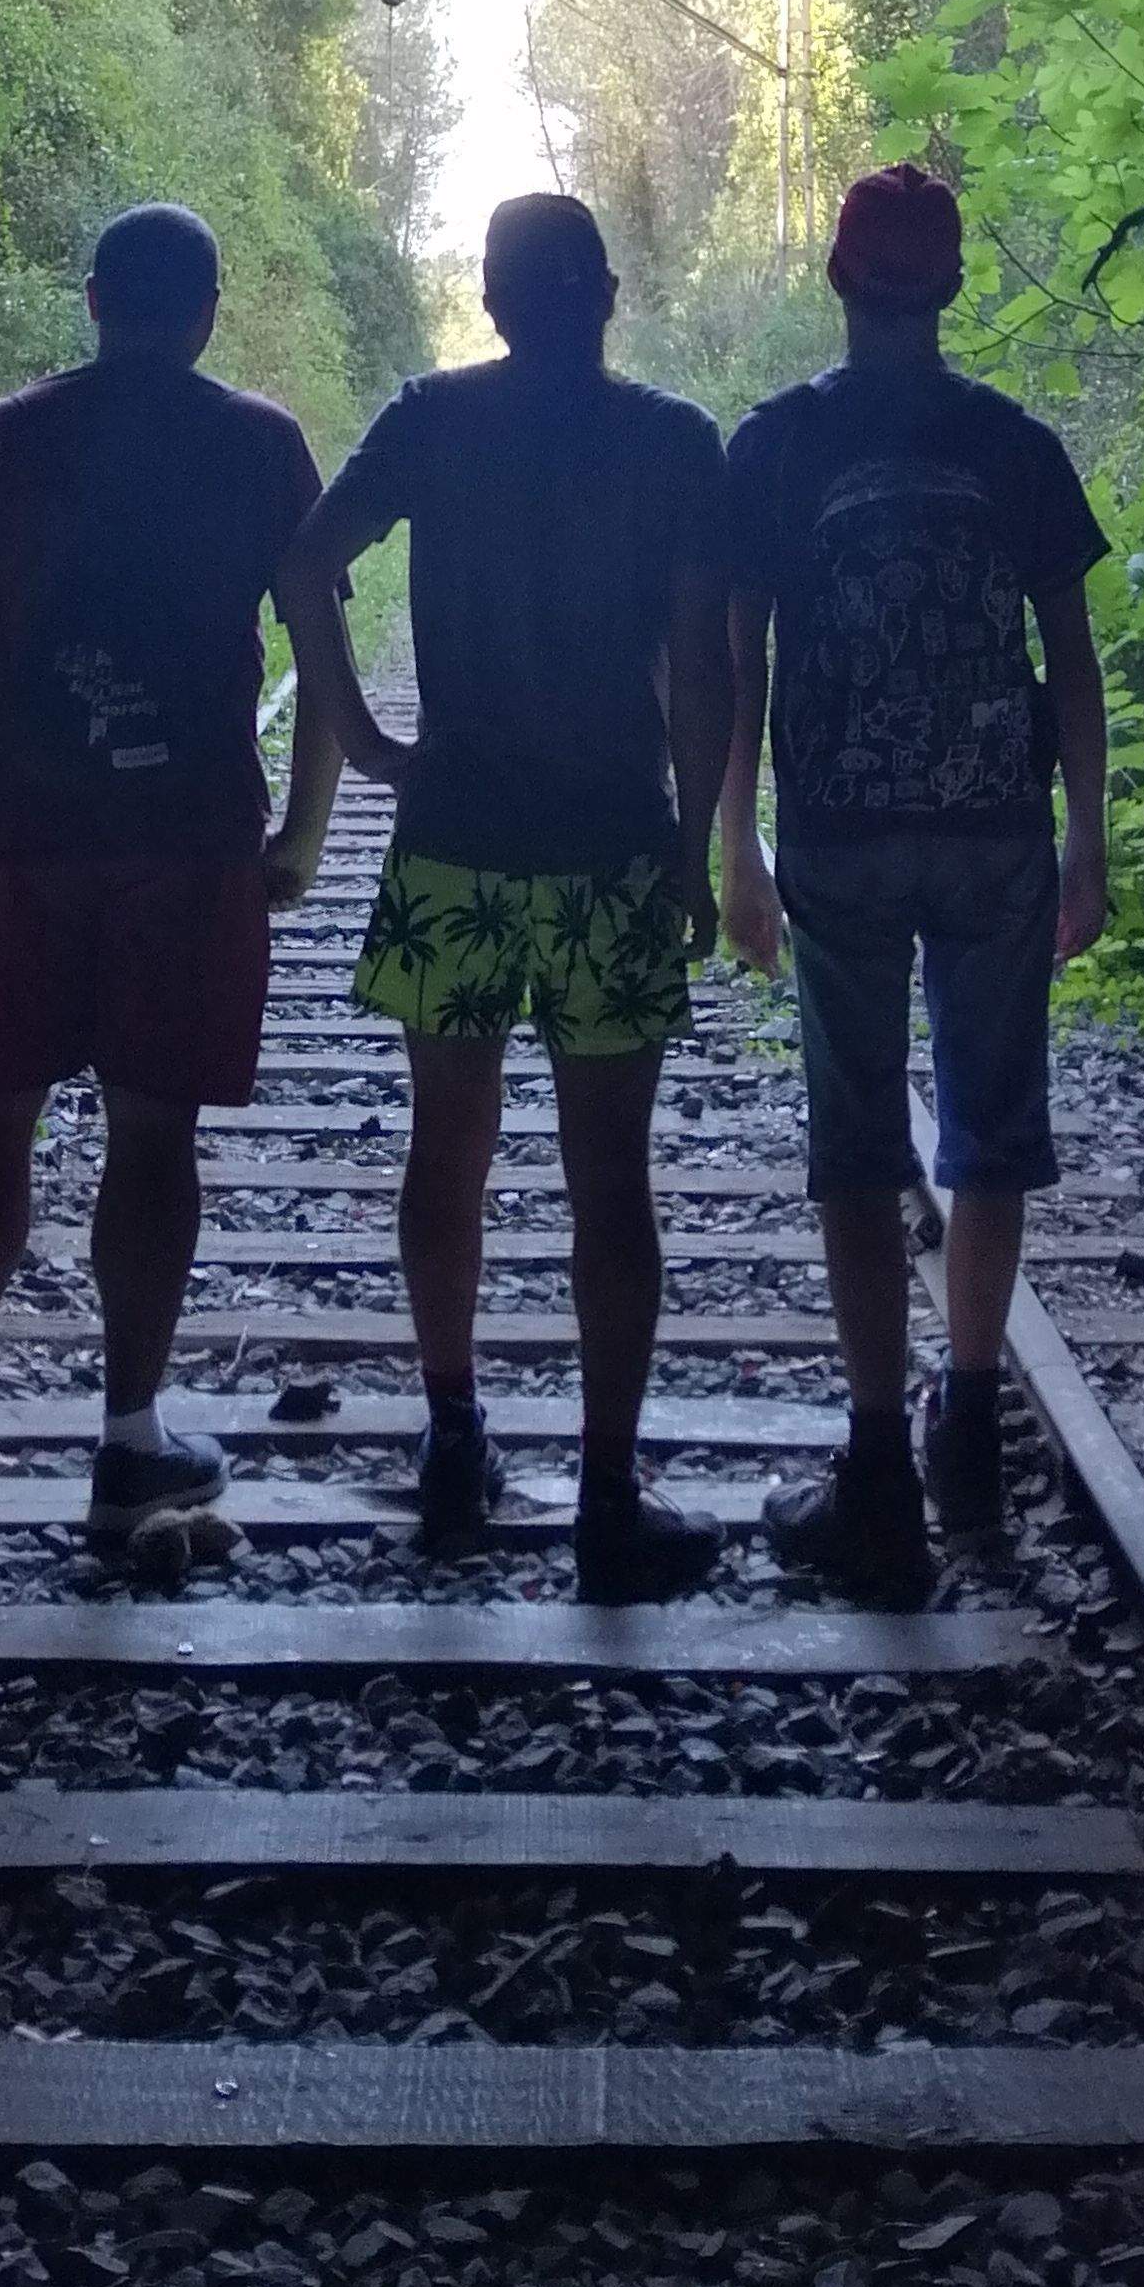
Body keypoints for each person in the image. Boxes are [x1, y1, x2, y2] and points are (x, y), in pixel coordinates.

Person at [275, 191, 733, 1604]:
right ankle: (607, 1490)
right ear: (607, 292)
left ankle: (454, 1433)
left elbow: (302, 560)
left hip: (456, 847)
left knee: (446, 1154)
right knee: (614, 1182)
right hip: (608, 848)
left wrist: (355, 738)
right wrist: (697, 840)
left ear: (486, 299)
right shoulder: (672, 442)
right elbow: (704, 661)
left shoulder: (429, 418)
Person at [0, 203, 340, 1542]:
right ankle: (130, 1439)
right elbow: (318, 657)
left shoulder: (3, 440)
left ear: (92, 299)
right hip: (189, 845)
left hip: (28, 840)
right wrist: (302, 836)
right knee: (153, 1136)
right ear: (206, 311)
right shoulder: (261, 449)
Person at [718, 161, 1109, 1602]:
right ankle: (970, 1421)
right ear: (949, 290)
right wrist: (1090, 838)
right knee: (992, 1129)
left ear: (837, 281)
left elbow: (736, 661)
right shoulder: (1011, 444)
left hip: (840, 832)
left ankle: (876, 1462)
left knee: (857, 1139)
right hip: (997, 830)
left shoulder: (776, 448)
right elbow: (1070, 663)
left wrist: (734, 842)